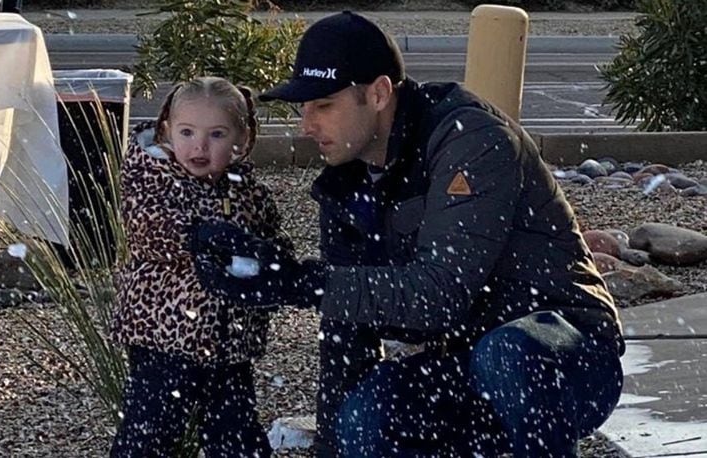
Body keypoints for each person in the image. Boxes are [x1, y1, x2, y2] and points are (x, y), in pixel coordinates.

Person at [191, 11, 625, 458]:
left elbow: (439, 294)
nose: (307, 125)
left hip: (569, 354)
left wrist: (296, 281)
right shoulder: (347, 178)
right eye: (303, 107)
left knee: (507, 354)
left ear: (378, 94)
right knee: (368, 411)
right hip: (466, 362)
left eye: (323, 105)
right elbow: (347, 333)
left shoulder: (471, 140)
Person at [110, 76, 285, 457]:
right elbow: (146, 228)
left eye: (217, 135)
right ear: (167, 130)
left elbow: (270, 236)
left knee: (236, 433)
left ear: (242, 139)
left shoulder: (245, 188)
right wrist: (201, 237)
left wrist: (273, 263)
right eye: (187, 132)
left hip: (228, 342)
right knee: (150, 429)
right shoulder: (152, 177)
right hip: (164, 336)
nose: (199, 146)